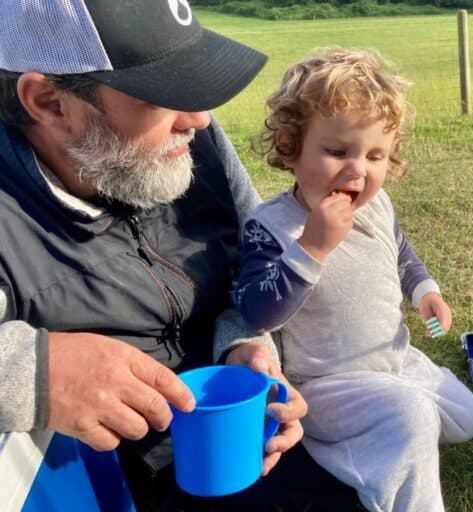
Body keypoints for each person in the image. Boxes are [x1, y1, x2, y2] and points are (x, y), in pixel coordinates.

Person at [0, 2, 362, 510]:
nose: (199, 119)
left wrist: (244, 346)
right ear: (49, 102)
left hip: (229, 450)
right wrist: (35, 372)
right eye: (163, 94)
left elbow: (250, 270)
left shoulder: (198, 143)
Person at [236, 47, 473, 512]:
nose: (358, 170)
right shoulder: (270, 226)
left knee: (466, 416)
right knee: (409, 417)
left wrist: (425, 290)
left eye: (376, 155)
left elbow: (401, 252)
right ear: (289, 147)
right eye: (337, 151)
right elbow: (256, 309)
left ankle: (383, 433)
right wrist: (312, 248)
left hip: (392, 359)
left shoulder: (377, 206)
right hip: (326, 384)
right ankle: (367, 463)